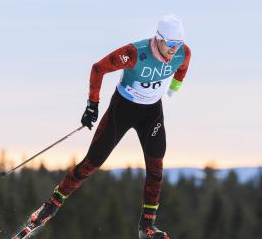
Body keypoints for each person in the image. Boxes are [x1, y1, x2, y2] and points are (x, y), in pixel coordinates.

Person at [27, 14, 191, 239]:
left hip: (152, 112)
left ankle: (147, 226)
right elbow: (98, 68)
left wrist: (174, 88)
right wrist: (92, 105)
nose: (174, 50)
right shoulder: (135, 53)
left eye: (178, 44)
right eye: (170, 44)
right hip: (123, 109)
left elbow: (183, 65)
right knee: (92, 162)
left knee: (156, 166)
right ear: (159, 39)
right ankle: (49, 207)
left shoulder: (183, 52)